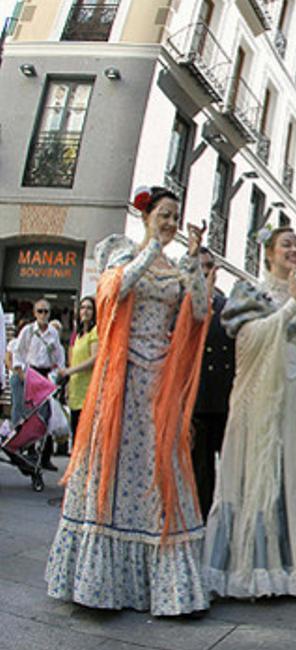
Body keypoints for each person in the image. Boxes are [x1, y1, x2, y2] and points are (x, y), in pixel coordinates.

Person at [44, 186, 210, 616]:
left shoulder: (176, 269)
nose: (172, 224)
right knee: (113, 465)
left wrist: (192, 262)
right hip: (123, 378)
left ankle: (167, 583)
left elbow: (198, 312)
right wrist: (152, 245)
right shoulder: (120, 253)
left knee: (161, 467)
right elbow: (113, 294)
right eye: (165, 215)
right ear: (146, 216)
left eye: (175, 218)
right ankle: (99, 582)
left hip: (159, 383)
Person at [203, 226, 296, 599]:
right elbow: (251, 339)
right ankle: (253, 567)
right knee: (258, 471)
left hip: (292, 395)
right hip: (256, 401)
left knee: (295, 471)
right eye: (286, 245)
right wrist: (290, 305)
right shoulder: (248, 293)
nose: (293, 251)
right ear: (268, 253)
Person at [191, 249, 235, 520]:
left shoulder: (227, 306)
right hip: (197, 400)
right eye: (198, 268)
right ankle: (201, 520)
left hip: (225, 399)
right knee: (201, 470)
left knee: (229, 467)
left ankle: (226, 521)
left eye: (207, 267)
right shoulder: (181, 306)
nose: (203, 272)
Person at [10, 298, 68, 470]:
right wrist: (20, 372)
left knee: (44, 417)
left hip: (44, 376)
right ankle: (23, 448)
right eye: (40, 311)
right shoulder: (28, 331)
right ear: (35, 313)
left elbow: (59, 359)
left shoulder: (53, 334)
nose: (43, 315)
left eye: (46, 312)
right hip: (29, 374)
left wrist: (54, 377)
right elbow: (17, 353)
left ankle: (42, 455)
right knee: (25, 413)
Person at [63, 297, 99, 441]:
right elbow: (72, 360)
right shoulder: (77, 335)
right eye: (83, 307)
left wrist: (70, 371)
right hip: (75, 389)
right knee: (75, 432)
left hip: (87, 389)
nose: (85, 311)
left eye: (89, 308)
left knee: (84, 436)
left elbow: (94, 358)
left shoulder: (95, 332)